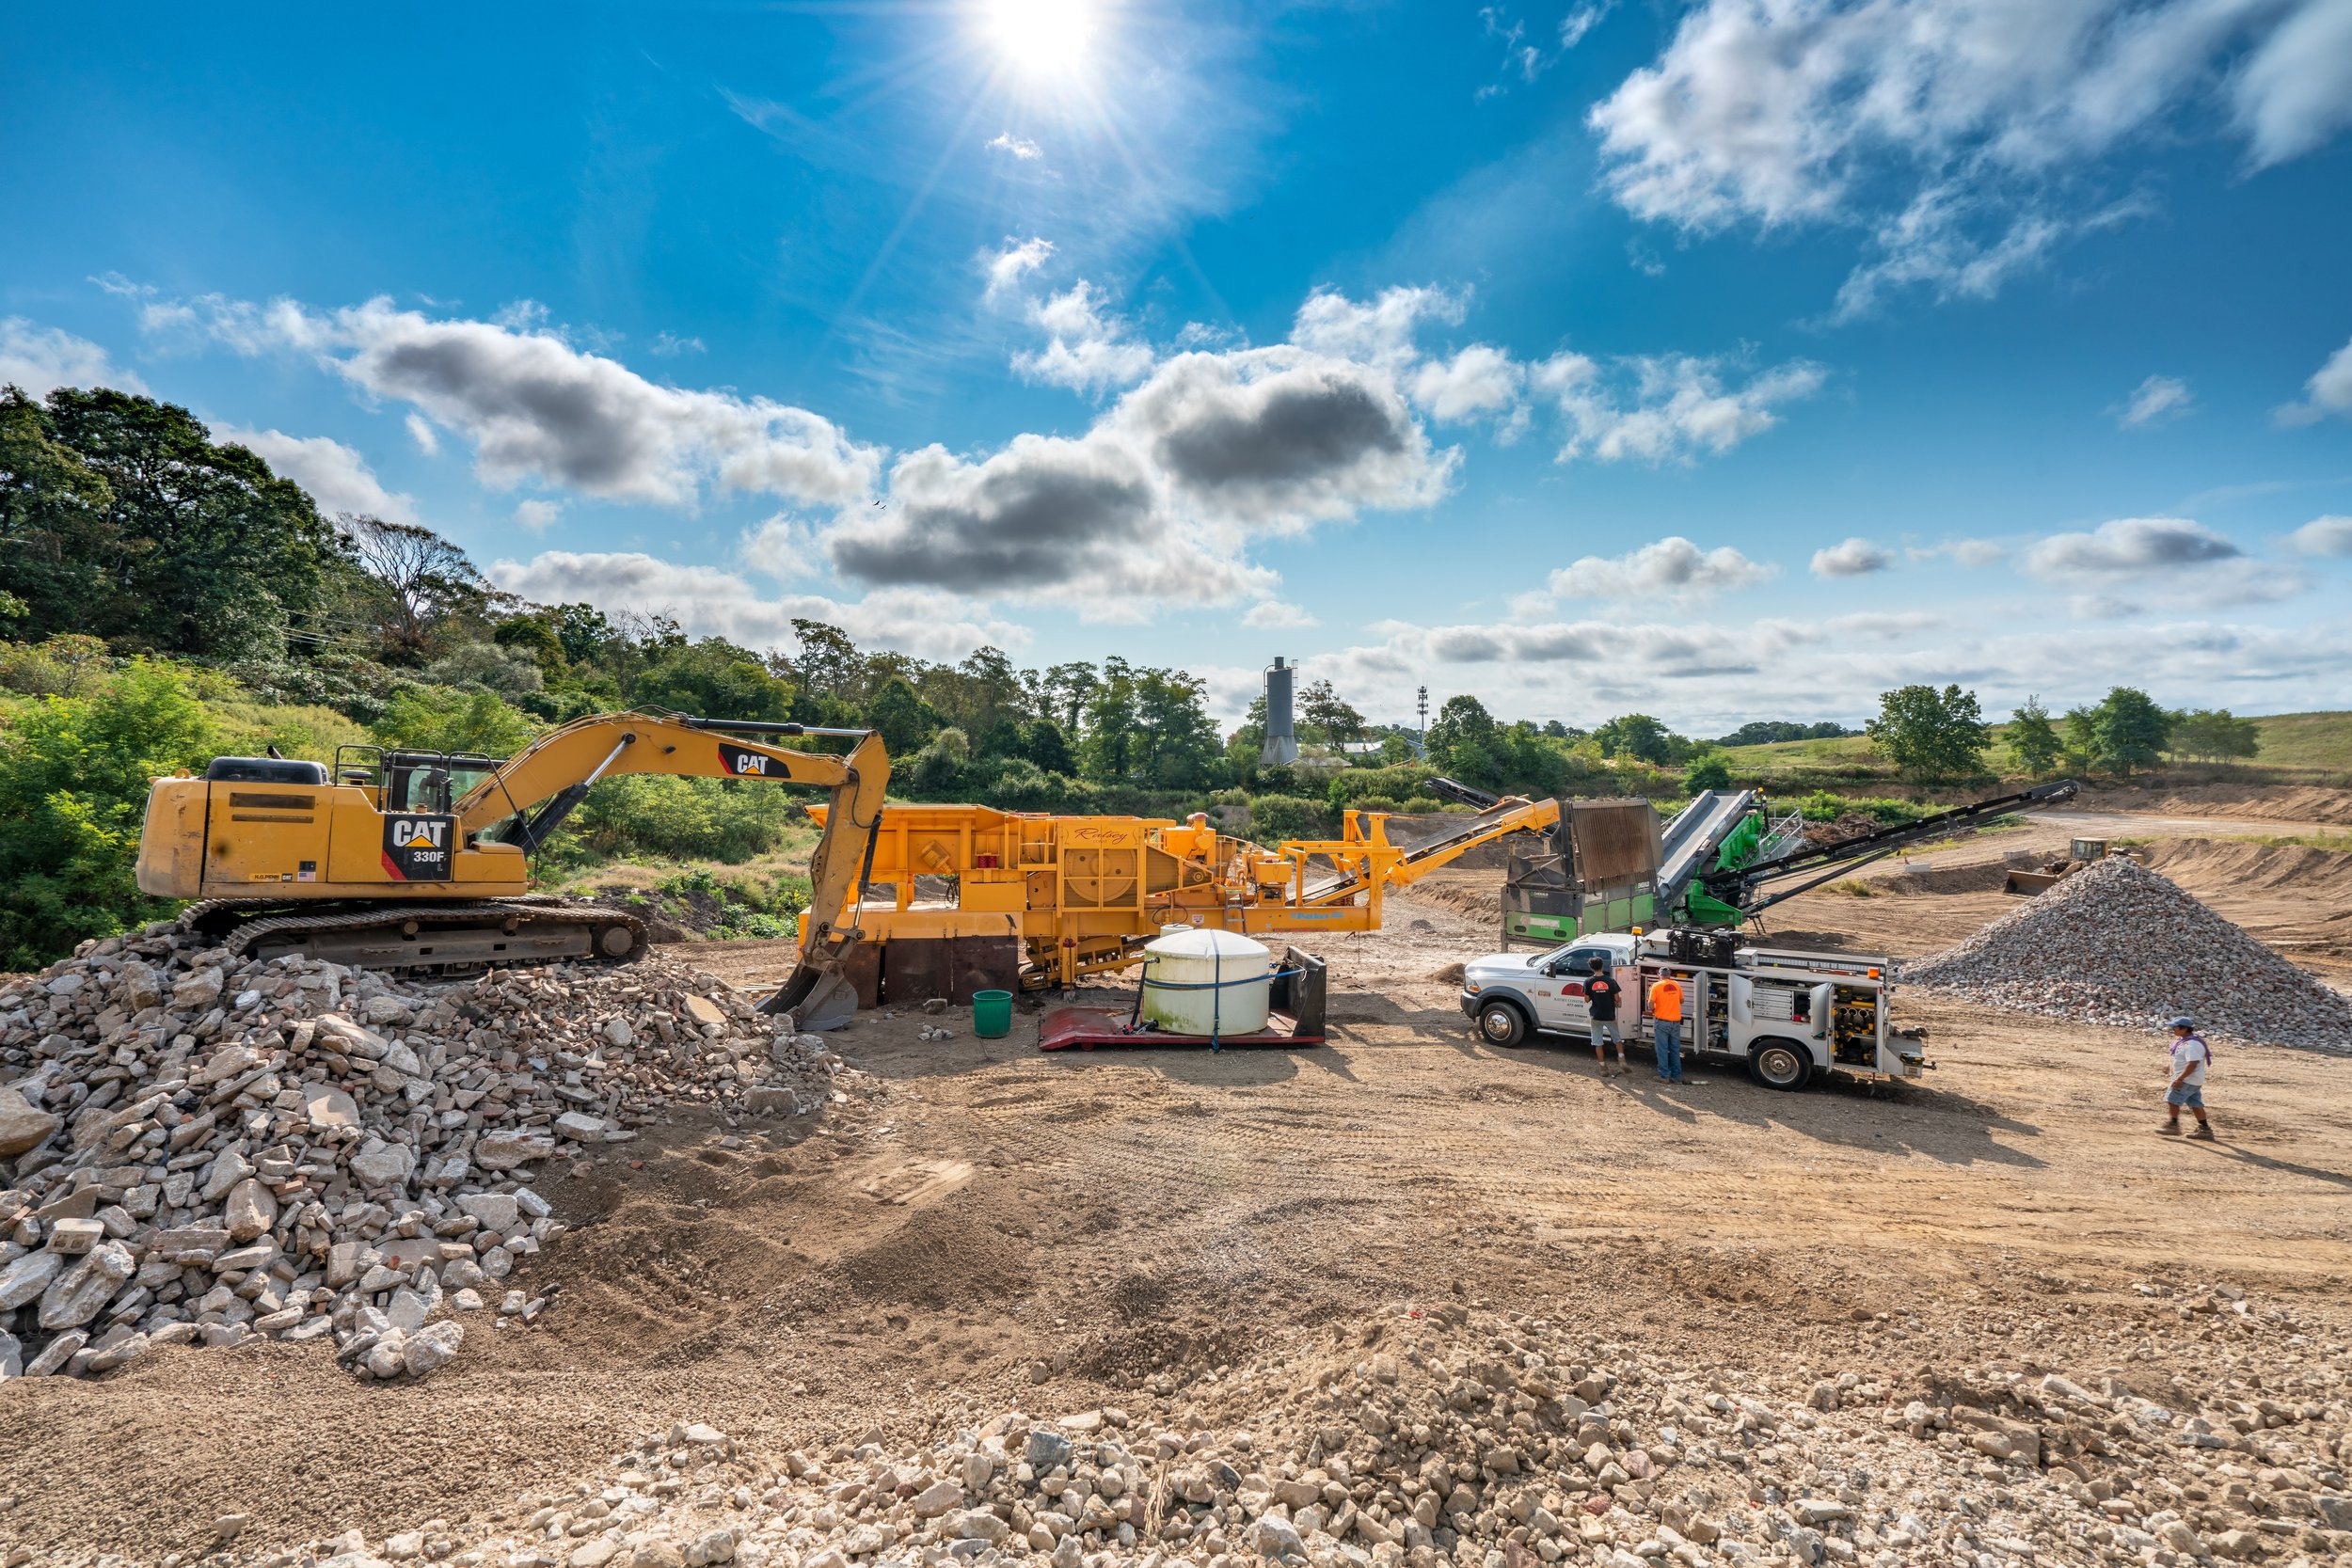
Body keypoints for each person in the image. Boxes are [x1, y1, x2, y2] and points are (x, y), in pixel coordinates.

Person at [2159, 1016, 2215, 1139]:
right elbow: (2185, 1060)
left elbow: (2193, 1063)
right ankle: (2205, 1130)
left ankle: (2173, 1126)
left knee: (2172, 1100)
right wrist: (2170, 1067)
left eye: (2175, 1027)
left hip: (2187, 1079)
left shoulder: (2191, 1044)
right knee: (2195, 1104)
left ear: (2184, 1029)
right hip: (2194, 1080)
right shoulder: (2186, 1042)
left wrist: (2180, 1079)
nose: (2173, 1029)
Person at [1584, 958, 1626, 1074]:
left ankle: (1603, 1068)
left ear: (1591, 968)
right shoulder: (1610, 980)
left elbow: (1587, 999)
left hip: (1596, 1016)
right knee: (1617, 1039)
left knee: (1598, 1043)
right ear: (1602, 966)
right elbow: (1617, 998)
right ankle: (1621, 1058)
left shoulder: (1588, 981)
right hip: (1609, 1015)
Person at [1648, 971, 1686, 1084]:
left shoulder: (1656, 986)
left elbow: (1650, 1003)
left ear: (1659, 975)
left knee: (1662, 1049)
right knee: (1675, 1050)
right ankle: (1676, 1077)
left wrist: (1654, 1009)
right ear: (1670, 975)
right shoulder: (1676, 984)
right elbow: (1682, 1000)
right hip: (1675, 1022)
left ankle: (1664, 1076)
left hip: (1662, 1022)